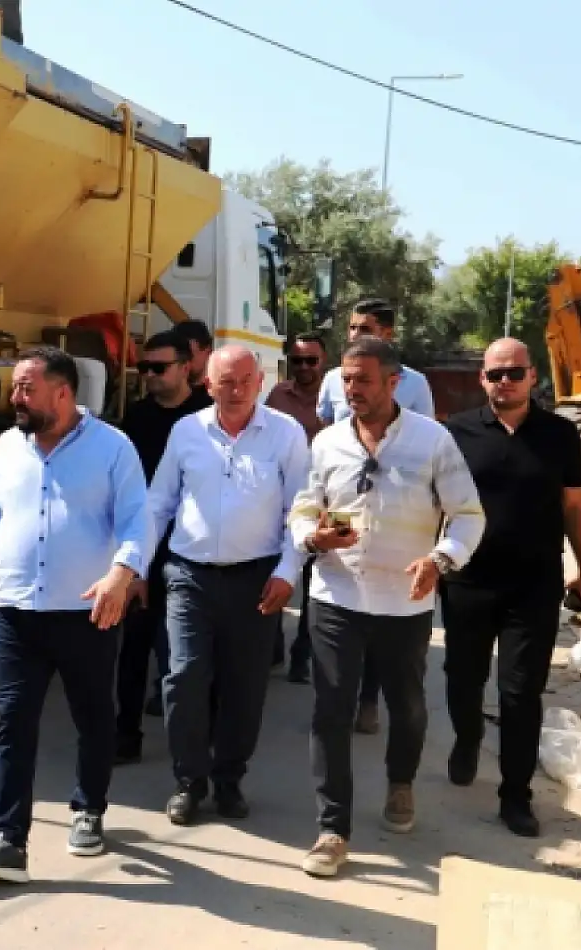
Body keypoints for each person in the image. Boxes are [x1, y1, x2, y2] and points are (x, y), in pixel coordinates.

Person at [289, 337, 484, 878]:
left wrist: (440, 559)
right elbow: (305, 506)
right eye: (346, 381)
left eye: (364, 381)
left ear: (393, 383)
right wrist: (313, 536)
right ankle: (333, 828)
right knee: (330, 709)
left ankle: (401, 783)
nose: (353, 391)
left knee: (407, 705)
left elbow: (468, 514)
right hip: (337, 594)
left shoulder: (432, 441)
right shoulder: (327, 443)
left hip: (405, 600)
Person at [0, 347, 145, 883]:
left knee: (92, 716)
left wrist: (120, 575)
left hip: (87, 610)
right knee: (13, 721)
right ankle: (8, 839)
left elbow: (138, 521)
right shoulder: (7, 447)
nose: (14, 397)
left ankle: (89, 808)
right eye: (15, 387)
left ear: (63, 393)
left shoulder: (113, 448)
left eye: (25, 388)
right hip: (16, 608)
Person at [136, 344, 310, 825]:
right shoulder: (187, 431)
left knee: (244, 686)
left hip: (256, 579)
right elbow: (160, 502)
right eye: (224, 382)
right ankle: (189, 781)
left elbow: (302, 510)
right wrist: (134, 567)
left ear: (260, 382)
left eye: (244, 381)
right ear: (206, 385)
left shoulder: (286, 434)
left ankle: (229, 779)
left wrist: (286, 572)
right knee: (184, 678)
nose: (234, 391)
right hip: (189, 577)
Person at [442, 338, 581, 837]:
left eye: (514, 373)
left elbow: (574, 507)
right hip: (468, 581)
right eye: (494, 374)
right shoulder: (457, 433)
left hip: (533, 584)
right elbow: (434, 506)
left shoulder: (557, 435)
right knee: (462, 680)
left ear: (533, 376)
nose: (503, 382)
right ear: (481, 379)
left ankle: (516, 795)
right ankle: (467, 738)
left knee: (520, 692)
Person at [315, 299, 435, 734]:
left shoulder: (415, 384)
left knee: (382, 611)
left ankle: (370, 698)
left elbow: (422, 441)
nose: (353, 334)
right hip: (345, 499)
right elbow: (327, 432)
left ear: (387, 334)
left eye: (363, 327)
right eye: (349, 327)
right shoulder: (332, 380)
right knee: (346, 594)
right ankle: (340, 702)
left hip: (394, 502)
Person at [114, 329, 213, 762]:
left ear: (186, 366)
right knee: (133, 646)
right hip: (144, 547)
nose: (150, 375)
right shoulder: (134, 419)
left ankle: (194, 746)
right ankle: (125, 734)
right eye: (144, 368)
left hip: (193, 549)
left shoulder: (206, 418)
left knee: (186, 659)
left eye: (159, 367)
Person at [266, 332, 328, 683]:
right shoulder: (277, 396)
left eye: (311, 360)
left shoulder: (335, 397)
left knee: (313, 582)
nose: (303, 367)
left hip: (325, 502)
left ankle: (302, 655)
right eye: (297, 360)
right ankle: (271, 646)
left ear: (324, 361)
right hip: (282, 500)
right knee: (276, 572)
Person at [173, 319, 215, 398]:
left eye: (189, 354)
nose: (183, 361)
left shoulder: (218, 395)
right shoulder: (166, 394)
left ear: (208, 352)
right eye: (178, 355)